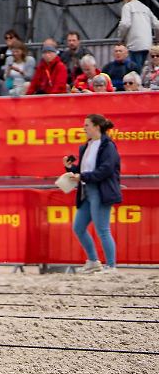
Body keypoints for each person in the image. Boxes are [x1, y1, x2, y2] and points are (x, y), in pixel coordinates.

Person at [62, 114, 121, 274]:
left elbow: (106, 169)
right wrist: (71, 168)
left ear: (96, 127)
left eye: (87, 125)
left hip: (101, 191)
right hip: (87, 190)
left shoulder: (108, 146)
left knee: (102, 229)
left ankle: (111, 266)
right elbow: (83, 170)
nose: (84, 128)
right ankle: (93, 261)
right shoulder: (86, 146)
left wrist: (83, 176)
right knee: (79, 227)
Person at [113, 0, 159, 68]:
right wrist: (157, 39)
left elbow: (125, 24)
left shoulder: (127, 6)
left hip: (134, 44)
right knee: (146, 68)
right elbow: (157, 25)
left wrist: (121, 38)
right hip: (148, 44)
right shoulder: (146, 8)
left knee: (135, 70)